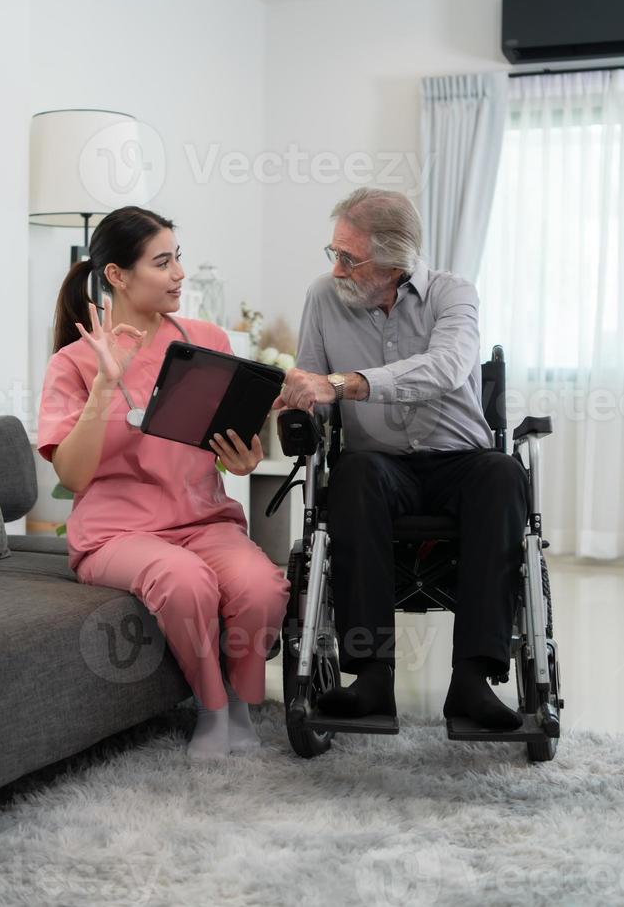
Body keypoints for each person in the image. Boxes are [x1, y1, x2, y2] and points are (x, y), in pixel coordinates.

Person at [37, 206, 290, 762]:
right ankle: (212, 707)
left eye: (179, 258)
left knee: (262, 586)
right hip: (117, 534)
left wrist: (240, 459)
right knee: (186, 582)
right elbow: (73, 474)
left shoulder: (207, 339)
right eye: (162, 262)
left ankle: (245, 705)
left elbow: (219, 447)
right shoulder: (74, 362)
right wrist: (107, 382)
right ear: (117, 276)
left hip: (203, 521)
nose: (179, 273)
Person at [274, 187, 529, 731]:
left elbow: (446, 367)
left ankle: (473, 681)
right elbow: (310, 382)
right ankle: (369, 679)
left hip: (461, 461)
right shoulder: (323, 297)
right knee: (353, 474)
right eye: (333, 253)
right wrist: (296, 400)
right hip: (380, 464)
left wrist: (344, 384)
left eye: (350, 257)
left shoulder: (452, 294)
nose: (337, 268)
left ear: (394, 262)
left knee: (505, 475)